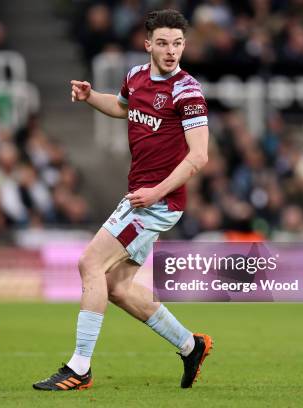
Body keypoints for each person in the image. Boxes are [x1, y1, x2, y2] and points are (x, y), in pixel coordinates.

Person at [33, 9, 212, 391]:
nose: (171, 51)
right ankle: (189, 345)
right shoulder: (135, 77)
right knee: (116, 287)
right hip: (142, 196)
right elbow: (123, 108)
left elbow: (199, 157)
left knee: (89, 263)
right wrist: (90, 97)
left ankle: (79, 367)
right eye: (163, 43)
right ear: (148, 44)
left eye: (178, 43)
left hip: (157, 203)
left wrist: (156, 193)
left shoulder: (188, 91)